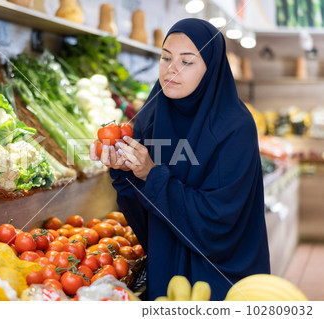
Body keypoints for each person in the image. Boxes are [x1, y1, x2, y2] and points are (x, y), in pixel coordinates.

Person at [89, 18, 270, 301]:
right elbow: (145, 211)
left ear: (211, 68)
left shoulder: (235, 127)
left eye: (187, 61)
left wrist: (151, 174)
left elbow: (222, 221)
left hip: (221, 277)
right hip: (167, 267)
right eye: (165, 57)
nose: (171, 69)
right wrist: (123, 170)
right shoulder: (150, 116)